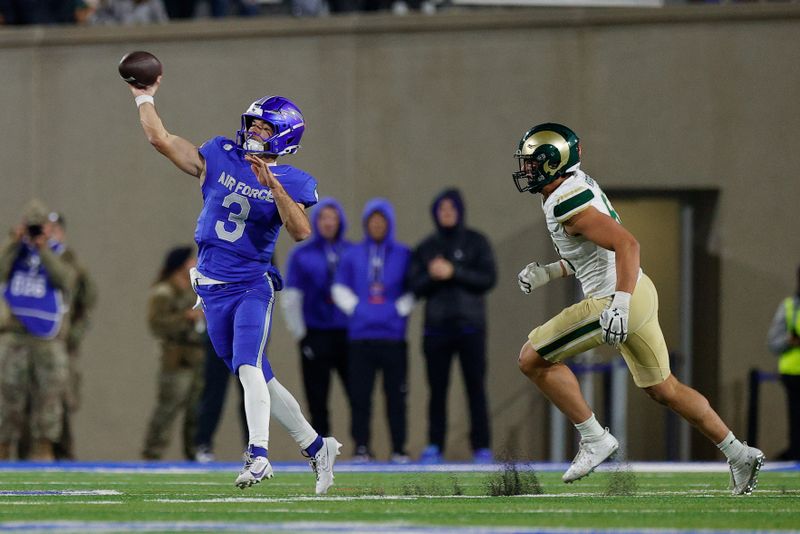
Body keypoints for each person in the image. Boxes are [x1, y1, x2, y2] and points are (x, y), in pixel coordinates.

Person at [512, 122, 764, 495]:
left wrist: (620, 304)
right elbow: (592, 252)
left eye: (532, 162)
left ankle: (594, 437)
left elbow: (627, 244)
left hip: (616, 297)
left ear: (553, 163)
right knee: (666, 389)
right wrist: (550, 272)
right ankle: (739, 453)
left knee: (532, 358)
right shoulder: (571, 188)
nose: (526, 170)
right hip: (638, 289)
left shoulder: (566, 200)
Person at [128, 79, 340, 493]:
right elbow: (161, 138)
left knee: (247, 365)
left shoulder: (293, 180)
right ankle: (317, 447)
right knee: (260, 376)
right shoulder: (220, 154)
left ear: (283, 136)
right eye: (254, 124)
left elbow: (300, 232)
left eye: (264, 127)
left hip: (250, 286)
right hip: (211, 289)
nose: (254, 131)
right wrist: (143, 95)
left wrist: (272, 185)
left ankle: (258, 454)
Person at [407, 188, 496, 464]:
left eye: (451, 209)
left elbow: (488, 279)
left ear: (459, 212)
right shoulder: (426, 247)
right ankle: (435, 445)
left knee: (476, 388)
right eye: (441, 210)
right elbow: (413, 286)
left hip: (471, 328)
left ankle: (481, 447)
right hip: (436, 329)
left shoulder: (476, 242)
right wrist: (434, 276)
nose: (446, 214)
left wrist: (454, 271)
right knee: (437, 391)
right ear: (435, 214)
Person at [332, 199, 413, 463]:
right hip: (360, 337)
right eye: (372, 220)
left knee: (397, 397)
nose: (377, 224)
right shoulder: (352, 254)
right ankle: (361, 447)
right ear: (367, 223)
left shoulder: (403, 254)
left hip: (393, 337)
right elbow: (339, 288)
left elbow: (413, 289)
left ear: (389, 224)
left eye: (382, 220)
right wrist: (358, 309)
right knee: (360, 397)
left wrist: (397, 310)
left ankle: (399, 448)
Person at [0, 199, 75, 461]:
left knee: (49, 397)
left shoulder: (60, 253)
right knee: (7, 395)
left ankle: (44, 448)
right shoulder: (13, 250)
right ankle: (3, 446)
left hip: (47, 336)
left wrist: (43, 249)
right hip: (14, 334)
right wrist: (13, 242)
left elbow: (66, 280)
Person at [281, 198, 352, 438]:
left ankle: (362, 445)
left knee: (358, 394)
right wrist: (301, 334)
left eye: (333, 217)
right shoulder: (302, 255)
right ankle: (321, 447)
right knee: (317, 396)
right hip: (316, 333)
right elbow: (291, 297)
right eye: (323, 217)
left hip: (348, 333)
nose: (329, 223)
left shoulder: (351, 252)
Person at [141, 246, 206, 461]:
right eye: (190, 260)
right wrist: (184, 318)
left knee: (196, 414)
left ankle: (194, 454)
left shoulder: (194, 289)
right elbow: (156, 324)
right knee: (167, 410)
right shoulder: (164, 292)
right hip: (175, 361)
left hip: (196, 358)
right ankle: (152, 454)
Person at [47, 211, 98, 461]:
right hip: (34, 343)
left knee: (62, 404)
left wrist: (73, 336)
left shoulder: (73, 264)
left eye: (55, 230)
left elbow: (87, 304)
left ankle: (64, 458)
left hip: (62, 346)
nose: (50, 235)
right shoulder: (29, 260)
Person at [766, 265, 800, 461]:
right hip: (793, 375)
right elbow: (773, 342)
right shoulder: (789, 307)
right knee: (796, 423)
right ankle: (795, 457)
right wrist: (789, 341)